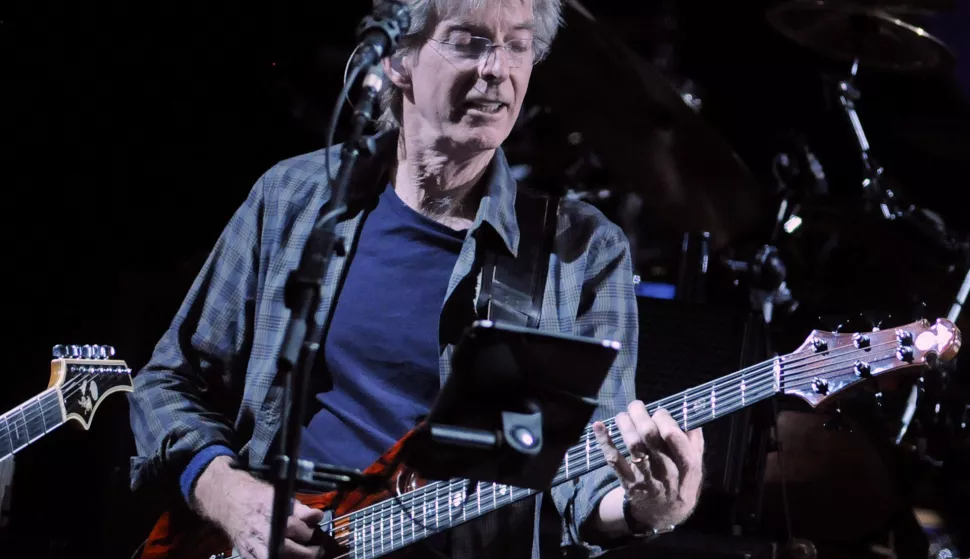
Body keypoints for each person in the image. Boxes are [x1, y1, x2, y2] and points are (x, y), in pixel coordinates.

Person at [128, 0, 704, 557]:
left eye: (518, 45)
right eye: (468, 41)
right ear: (397, 59)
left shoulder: (579, 251)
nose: (497, 69)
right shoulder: (293, 200)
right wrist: (226, 492)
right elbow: (169, 382)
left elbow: (587, 474)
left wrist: (644, 509)